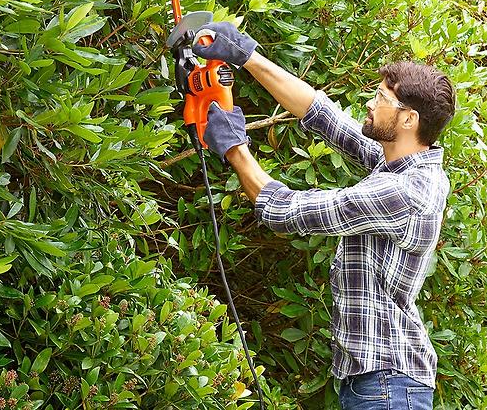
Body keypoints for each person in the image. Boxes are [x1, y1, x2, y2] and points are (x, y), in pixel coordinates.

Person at [193, 22, 456, 410]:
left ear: (408, 120)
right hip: (376, 382)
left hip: (387, 385)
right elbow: (323, 115)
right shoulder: (402, 165)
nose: (370, 103)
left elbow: (287, 211)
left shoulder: (404, 192)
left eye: (381, 98)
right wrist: (247, 56)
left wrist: (235, 148)